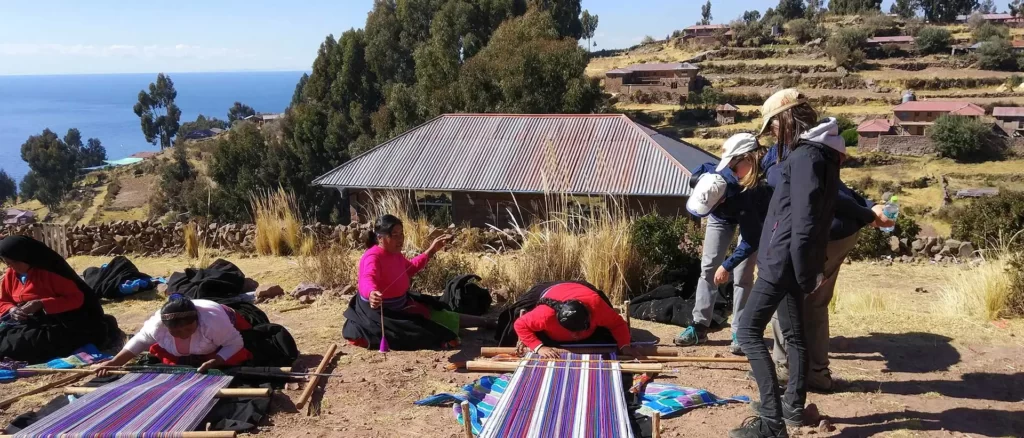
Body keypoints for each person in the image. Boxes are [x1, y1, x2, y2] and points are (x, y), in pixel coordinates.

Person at [731, 89, 841, 438]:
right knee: (794, 334)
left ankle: (771, 421)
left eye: (774, 126)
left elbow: (806, 218)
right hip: (790, 260)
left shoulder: (805, 157)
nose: (773, 134)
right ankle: (792, 407)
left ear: (787, 118)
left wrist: (805, 270)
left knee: (748, 331)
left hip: (782, 261)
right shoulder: (818, 153)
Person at [675, 134, 770, 356]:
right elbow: (700, 169)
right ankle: (699, 327)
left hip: (750, 219)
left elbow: (750, 240)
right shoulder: (709, 174)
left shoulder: (749, 194)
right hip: (721, 220)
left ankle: (740, 331)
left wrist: (727, 265)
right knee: (708, 268)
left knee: (743, 275)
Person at [342, 214, 492, 350]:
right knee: (428, 333)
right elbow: (367, 278)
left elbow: (410, 268)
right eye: (394, 235)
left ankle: (488, 322)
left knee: (443, 316)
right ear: (380, 237)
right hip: (385, 314)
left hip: (404, 304)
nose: (400, 239)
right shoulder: (372, 257)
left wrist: (431, 251)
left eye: (401, 234)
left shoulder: (395, 254)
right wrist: (372, 293)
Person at [96, 293, 296, 374]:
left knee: (247, 351)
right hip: (206, 339)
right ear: (166, 327)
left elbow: (234, 343)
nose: (183, 334)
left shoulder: (212, 322)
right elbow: (140, 341)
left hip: (229, 319)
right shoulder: (157, 326)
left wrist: (217, 360)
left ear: (197, 322)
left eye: (188, 329)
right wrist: (114, 363)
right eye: (176, 331)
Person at [0, 236, 118, 363]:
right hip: (26, 323)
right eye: (7, 263)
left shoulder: (51, 273)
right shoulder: (11, 275)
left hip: (57, 324)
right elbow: (3, 300)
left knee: (20, 346)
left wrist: (41, 304)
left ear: (26, 257)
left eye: (13, 263)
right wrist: (12, 309)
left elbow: (76, 298)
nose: (11, 267)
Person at [512, 281, 642, 358]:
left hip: (581, 289)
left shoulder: (597, 308)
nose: (575, 335)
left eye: (579, 330)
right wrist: (539, 347)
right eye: (571, 330)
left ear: (589, 317)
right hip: (552, 291)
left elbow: (618, 324)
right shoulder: (545, 315)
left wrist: (625, 346)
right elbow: (520, 324)